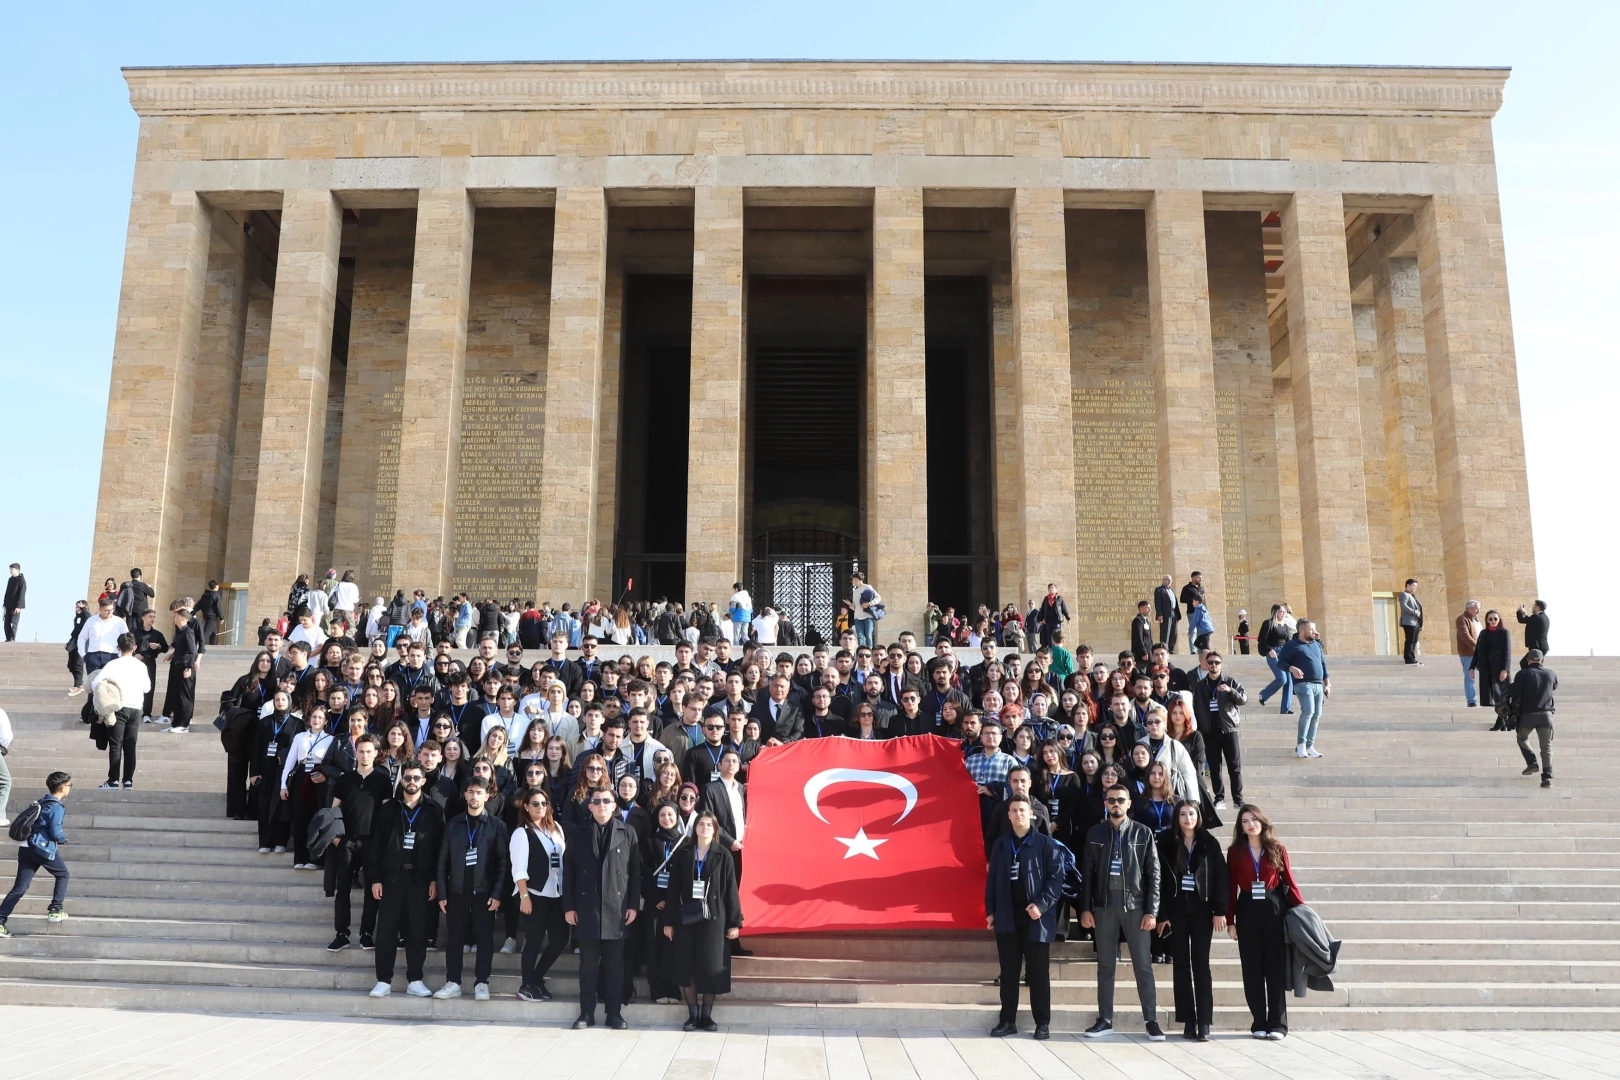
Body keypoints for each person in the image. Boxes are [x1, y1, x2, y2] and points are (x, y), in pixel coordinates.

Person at [1078, 783, 1164, 1040]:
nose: (1116, 804)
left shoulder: (1143, 833)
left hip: (1135, 906)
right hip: (1104, 905)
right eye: (1111, 800)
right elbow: (1087, 875)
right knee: (1105, 965)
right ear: (1105, 803)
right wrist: (1085, 908)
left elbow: (1154, 874)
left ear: (1129, 803)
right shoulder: (1095, 833)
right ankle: (1105, 1019)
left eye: (1120, 800)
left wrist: (1152, 911)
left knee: (1143, 965)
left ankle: (1151, 1020)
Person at [563, 783, 642, 1029]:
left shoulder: (628, 832)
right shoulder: (577, 833)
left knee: (615, 966)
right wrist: (569, 906)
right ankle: (586, 1013)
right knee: (587, 965)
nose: (601, 805)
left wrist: (633, 905)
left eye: (606, 801)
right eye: (596, 801)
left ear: (614, 805)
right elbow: (569, 873)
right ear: (590, 806)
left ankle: (614, 1013)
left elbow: (635, 872)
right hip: (587, 908)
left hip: (617, 909)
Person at [1226, 804, 1304, 1039]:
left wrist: (1302, 910)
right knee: (1252, 968)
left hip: (1274, 908)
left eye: (1254, 819)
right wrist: (1230, 920)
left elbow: (1290, 881)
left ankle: (1278, 1024)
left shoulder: (1277, 848)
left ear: (1262, 822)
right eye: (1245, 821)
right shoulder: (1235, 852)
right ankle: (1259, 1022)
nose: (1251, 824)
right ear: (1241, 827)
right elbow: (1230, 888)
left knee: (1275, 968)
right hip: (1247, 908)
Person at [366, 763, 443, 997]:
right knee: (386, 931)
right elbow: (375, 845)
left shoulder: (434, 809)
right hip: (392, 878)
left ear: (423, 781)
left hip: (420, 880)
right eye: (408, 778)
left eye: (416, 778)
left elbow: (440, 848)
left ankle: (415, 980)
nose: (412, 782)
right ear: (401, 781)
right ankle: (383, 980)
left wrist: (434, 879)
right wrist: (375, 878)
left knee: (418, 932)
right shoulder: (388, 809)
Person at [661, 810, 742, 1031]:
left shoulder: (723, 854)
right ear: (695, 827)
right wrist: (669, 922)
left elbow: (731, 890)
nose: (704, 828)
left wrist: (734, 922)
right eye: (701, 824)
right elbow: (672, 889)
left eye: (708, 824)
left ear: (715, 829)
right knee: (686, 965)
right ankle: (692, 1014)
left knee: (711, 965)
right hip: (686, 917)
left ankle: (707, 1015)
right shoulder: (684, 853)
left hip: (714, 918)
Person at [1156, 800, 1228, 1041]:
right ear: (1176, 818)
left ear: (1198, 817)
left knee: (1201, 965)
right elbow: (1158, 880)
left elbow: (1221, 876)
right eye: (1183, 814)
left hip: (1202, 910)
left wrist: (1220, 910)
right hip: (1176, 910)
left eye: (1192, 814)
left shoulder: (1209, 843)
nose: (1188, 818)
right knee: (1180, 965)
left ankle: (1204, 1021)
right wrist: (1162, 914)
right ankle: (1188, 1020)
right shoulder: (1165, 842)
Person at [434, 777, 509, 1001]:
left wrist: (497, 892)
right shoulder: (453, 824)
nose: (474, 796)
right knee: (455, 938)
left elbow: (504, 863)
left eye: (479, 792)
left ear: (487, 796)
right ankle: (453, 982)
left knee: (484, 939)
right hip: (457, 890)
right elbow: (442, 862)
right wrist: (442, 892)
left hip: (485, 892)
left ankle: (482, 982)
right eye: (471, 792)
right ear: (465, 795)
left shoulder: (497, 826)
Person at [327, 732, 390, 951]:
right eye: (361, 751)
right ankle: (342, 934)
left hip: (373, 842)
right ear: (356, 753)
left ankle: (366, 934)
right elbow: (333, 810)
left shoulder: (383, 780)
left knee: (372, 890)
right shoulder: (345, 780)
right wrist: (336, 837)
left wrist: (382, 842)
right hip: (347, 841)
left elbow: (386, 814)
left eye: (368, 751)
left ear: (376, 753)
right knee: (342, 889)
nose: (364, 755)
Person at [511, 786, 569, 1002]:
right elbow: (518, 868)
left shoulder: (556, 829)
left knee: (560, 939)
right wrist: (524, 896)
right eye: (535, 804)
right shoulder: (522, 833)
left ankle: (536, 977)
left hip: (556, 893)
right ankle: (526, 985)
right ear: (526, 807)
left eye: (544, 803)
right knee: (534, 940)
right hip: (533, 893)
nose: (540, 807)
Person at [0, 770, 73, 936]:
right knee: (63, 875)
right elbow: (56, 832)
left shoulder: (41, 802)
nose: (70, 788)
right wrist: (63, 839)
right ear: (62, 788)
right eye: (70, 785)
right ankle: (55, 910)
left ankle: (0, 920)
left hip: (26, 847)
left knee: (20, 887)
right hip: (41, 848)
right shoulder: (57, 807)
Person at [92, 633, 149, 790]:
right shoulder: (141, 666)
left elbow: (96, 683)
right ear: (135, 647)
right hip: (136, 708)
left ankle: (113, 781)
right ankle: (128, 781)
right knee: (130, 745)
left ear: (118, 648)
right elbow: (147, 688)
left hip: (118, 707)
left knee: (116, 745)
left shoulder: (112, 665)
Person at [1192, 652, 1245, 810]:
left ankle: (1238, 800)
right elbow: (1197, 708)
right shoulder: (1201, 685)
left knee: (1234, 767)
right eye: (1210, 662)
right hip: (1209, 731)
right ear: (1206, 664)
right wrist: (1200, 729)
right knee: (1214, 768)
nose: (1213, 665)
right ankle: (1219, 798)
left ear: (1221, 664)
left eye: (1216, 662)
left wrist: (1230, 691)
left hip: (1228, 729)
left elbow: (1243, 699)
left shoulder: (1230, 681)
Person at [1276, 619, 1329, 759]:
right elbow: (1281, 663)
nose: (1314, 632)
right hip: (1303, 684)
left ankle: (1310, 746)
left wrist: (1327, 683)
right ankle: (1301, 745)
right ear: (1302, 630)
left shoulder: (1316, 645)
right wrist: (1291, 668)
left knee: (1316, 715)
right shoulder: (1291, 645)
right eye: (1311, 629)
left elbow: (1323, 664)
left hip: (1319, 684)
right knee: (1308, 711)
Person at [1511, 649, 1556, 788]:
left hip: (1528, 716)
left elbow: (1514, 691)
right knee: (1546, 746)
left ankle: (1532, 762)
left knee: (1522, 737)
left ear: (1528, 660)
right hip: (1546, 716)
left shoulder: (1522, 674)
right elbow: (1554, 686)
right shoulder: (1551, 674)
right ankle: (1547, 777)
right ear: (1542, 660)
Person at [161, 602, 202, 733]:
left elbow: (192, 651)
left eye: (175, 616)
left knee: (185, 696)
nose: (174, 618)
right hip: (177, 664)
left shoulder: (188, 632)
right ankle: (176, 723)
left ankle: (184, 725)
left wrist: (189, 667)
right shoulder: (180, 632)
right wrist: (173, 655)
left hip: (185, 666)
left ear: (180, 618)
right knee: (177, 695)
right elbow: (181, 648)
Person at [1472, 609, 1514, 725]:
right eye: (1490, 619)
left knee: (1502, 695)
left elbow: (1507, 652)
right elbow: (1477, 652)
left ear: (1499, 619)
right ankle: (1501, 721)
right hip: (1486, 669)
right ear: (1487, 620)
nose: (1493, 621)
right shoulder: (1483, 633)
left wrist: (1505, 669)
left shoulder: (1504, 632)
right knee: (1491, 696)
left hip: (1499, 669)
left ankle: (1503, 721)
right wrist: (1472, 667)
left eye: (1495, 618)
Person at [77, 598, 128, 679]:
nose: (110, 612)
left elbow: (126, 639)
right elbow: (82, 637)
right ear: (100, 609)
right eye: (106, 610)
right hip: (93, 656)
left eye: (112, 609)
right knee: (93, 683)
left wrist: (121, 655)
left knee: (110, 683)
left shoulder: (119, 622)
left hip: (113, 656)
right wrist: (83, 654)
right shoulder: (91, 620)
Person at [1455, 600, 1481, 707]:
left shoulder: (1476, 621)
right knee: (1470, 677)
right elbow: (1465, 635)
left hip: (1479, 652)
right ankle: (1471, 701)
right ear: (1469, 609)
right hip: (1468, 653)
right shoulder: (1462, 619)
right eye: (1477, 608)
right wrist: (1475, 646)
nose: (1478, 611)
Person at [1398, 578, 1424, 665]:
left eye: (1416, 586)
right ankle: (1408, 658)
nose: (1415, 588)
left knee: (1414, 641)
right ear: (1408, 585)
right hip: (1409, 622)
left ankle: (1412, 658)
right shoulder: (1404, 595)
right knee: (1410, 640)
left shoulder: (1412, 596)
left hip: (1415, 623)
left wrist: (1420, 624)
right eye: (1413, 585)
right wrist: (1414, 612)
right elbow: (1404, 607)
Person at [1153, 575, 1179, 654]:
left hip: (1174, 612)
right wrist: (1159, 614)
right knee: (1165, 632)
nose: (1169, 581)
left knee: (1174, 632)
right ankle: (1164, 648)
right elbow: (1157, 603)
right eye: (1167, 579)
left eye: (1170, 580)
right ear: (1163, 580)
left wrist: (1177, 616)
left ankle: (1171, 649)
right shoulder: (1159, 590)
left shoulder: (1172, 590)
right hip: (1165, 614)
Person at [3, 563, 24, 642]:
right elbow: (7, 592)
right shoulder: (10, 579)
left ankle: (12, 638)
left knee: (14, 622)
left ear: (17, 570)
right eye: (10, 569)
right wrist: (4, 603)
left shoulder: (21, 580)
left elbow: (22, 594)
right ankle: (8, 638)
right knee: (6, 622)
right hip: (8, 604)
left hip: (16, 605)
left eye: (12, 569)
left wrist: (19, 606)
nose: (10, 571)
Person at [1130, 600, 1153, 666]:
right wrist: (1143, 652)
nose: (1150, 610)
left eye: (1150, 608)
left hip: (1149, 652)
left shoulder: (1147, 621)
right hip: (1141, 654)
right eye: (1147, 608)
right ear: (1141, 609)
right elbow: (1138, 637)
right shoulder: (1138, 620)